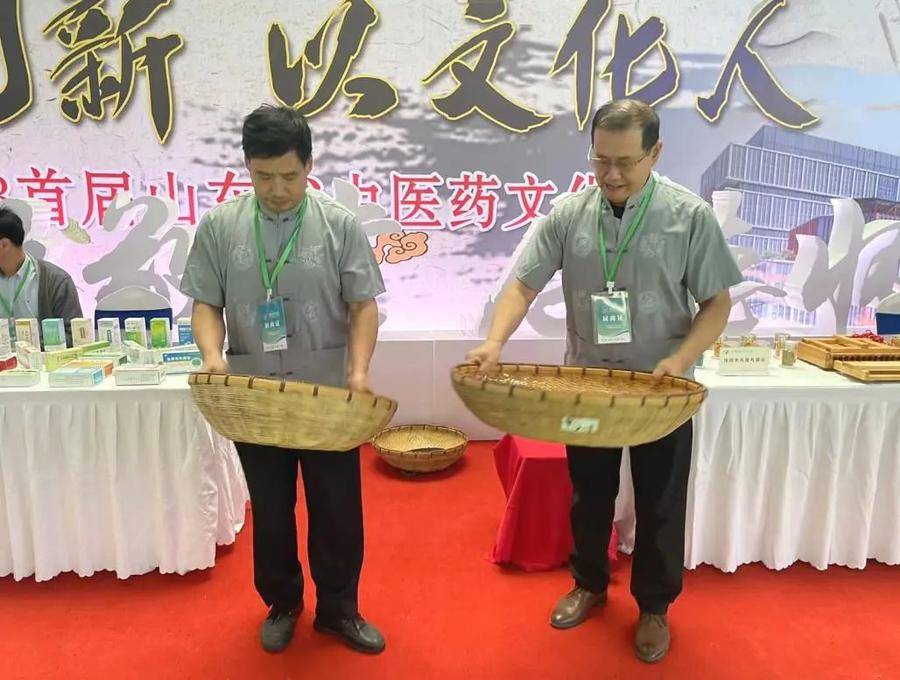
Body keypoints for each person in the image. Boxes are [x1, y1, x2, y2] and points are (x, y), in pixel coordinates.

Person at [467, 99, 743, 663]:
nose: (611, 175)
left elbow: (717, 303)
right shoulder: (569, 214)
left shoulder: (688, 217)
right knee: (589, 492)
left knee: (661, 501)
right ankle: (589, 583)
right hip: (587, 385)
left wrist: (682, 357)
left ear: (655, 153)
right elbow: (522, 284)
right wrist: (495, 341)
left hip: (661, 391)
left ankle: (655, 608)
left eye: (625, 162)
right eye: (600, 160)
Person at [180, 105, 386, 655]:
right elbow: (206, 303)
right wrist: (212, 355)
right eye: (263, 176)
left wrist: (358, 371)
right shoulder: (220, 226)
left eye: (289, 176)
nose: (277, 189)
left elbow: (363, 305)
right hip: (255, 398)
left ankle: (339, 609)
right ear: (247, 167)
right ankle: (282, 602)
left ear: (309, 164)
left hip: (326, 396)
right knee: (270, 510)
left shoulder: (339, 224)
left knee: (337, 508)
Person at [0, 205, 83, 345]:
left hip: (43, 358)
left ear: (4, 245)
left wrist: (35, 349)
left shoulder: (57, 281)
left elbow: (75, 336)